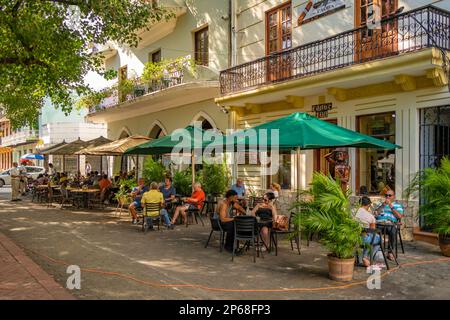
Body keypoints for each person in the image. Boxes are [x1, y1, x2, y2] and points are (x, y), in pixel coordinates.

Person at [375, 190, 404, 260]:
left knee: (393, 230)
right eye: (386, 195)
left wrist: (391, 206)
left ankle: (390, 252)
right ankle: (376, 251)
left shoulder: (398, 205)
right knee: (372, 229)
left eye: (389, 195)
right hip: (380, 224)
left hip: (391, 225)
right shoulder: (381, 204)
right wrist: (382, 205)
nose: (387, 197)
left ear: (394, 196)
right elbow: (376, 214)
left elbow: (399, 216)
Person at [355, 196, 381, 267]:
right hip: (364, 239)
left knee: (369, 237)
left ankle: (364, 258)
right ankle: (366, 257)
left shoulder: (352, 213)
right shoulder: (370, 216)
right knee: (378, 238)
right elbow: (373, 232)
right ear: (368, 205)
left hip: (353, 238)